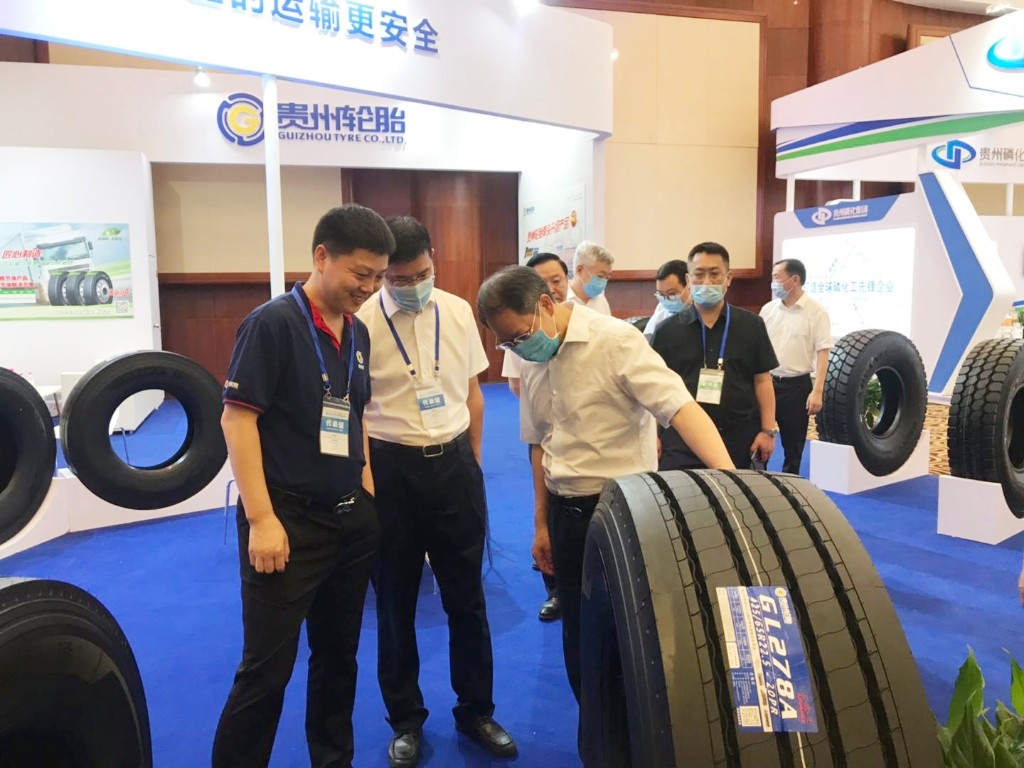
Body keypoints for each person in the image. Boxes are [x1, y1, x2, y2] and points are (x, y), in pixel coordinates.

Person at [476, 265, 734, 756]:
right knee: (579, 639)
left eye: (521, 336)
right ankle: (598, 744)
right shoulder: (530, 358)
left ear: (546, 304)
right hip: (566, 515)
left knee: (634, 640)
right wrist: (541, 524)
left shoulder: (615, 341)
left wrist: (729, 479)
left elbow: (680, 409)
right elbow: (539, 444)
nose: (519, 349)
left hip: (625, 514)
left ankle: (642, 745)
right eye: (507, 343)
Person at [212, 204, 395, 768]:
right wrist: (262, 520)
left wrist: (366, 491)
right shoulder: (272, 324)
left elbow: (354, 415)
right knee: (265, 673)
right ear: (321, 257)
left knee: (339, 659)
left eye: (378, 277)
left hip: (349, 519)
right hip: (286, 526)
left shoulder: (358, 331)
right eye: (360, 274)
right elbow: (237, 420)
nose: (369, 287)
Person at [357, 216, 516, 768]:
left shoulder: (457, 309)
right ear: (383, 274)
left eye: (420, 274)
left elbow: (472, 393)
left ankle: (476, 711)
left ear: (433, 260)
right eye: (398, 279)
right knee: (395, 604)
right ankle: (405, 720)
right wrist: (368, 484)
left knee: (466, 599)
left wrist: (471, 462)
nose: (411, 286)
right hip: (391, 471)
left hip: (454, 467)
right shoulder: (362, 322)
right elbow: (355, 412)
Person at [651, 241, 779, 471]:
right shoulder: (666, 331)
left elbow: (763, 380)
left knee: (739, 494)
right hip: (680, 441)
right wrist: (653, 436)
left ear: (728, 278)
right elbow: (654, 389)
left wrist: (767, 431)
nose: (707, 281)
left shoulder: (752, 325)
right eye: (699, 274)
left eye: (714, 274)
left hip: (740, 440)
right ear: (688, 280)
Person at [502, 252, 569, 623]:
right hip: (544, 433)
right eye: (544, 283)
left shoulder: (592, 321)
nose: (553, 288)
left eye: (557, 279)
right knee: (547, 512)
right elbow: (517, 383)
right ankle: (554, 590)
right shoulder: (522, 332)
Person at [760, 258, 832, 475]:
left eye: (777, 277)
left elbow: (823, 352)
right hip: (767, 383)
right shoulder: (768, 310)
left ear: (794, 280)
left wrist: (817, 391)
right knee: (759, 438)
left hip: (796, 386)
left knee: (793, 446)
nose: (773, 283)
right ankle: (757, 481)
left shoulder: (816, 311)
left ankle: (790, 486)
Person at [643, 258, 690, 340]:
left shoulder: (704, 313)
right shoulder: (661, 311)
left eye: (671, 294)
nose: (666, 300)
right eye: (661, 294)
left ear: (689, 287)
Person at [566, 240, 614, 314]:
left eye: (607, 277)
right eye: (600, 276)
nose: (603, 282)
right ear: (579, 270)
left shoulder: (601, 301)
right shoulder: (561, 298)